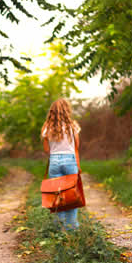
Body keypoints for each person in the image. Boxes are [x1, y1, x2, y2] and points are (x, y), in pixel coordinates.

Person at [41, 98, 82, 230]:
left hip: (54, 161)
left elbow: (46, 149)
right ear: (67, 110)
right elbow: (76, 147)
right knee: (72, 196)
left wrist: (55, 152)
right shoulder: (73, 126)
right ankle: (72, 227)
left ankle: (59, 228)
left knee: (57, 196)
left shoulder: (47, 127)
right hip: (70, 161)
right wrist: (78, 166)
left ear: (52, 112)